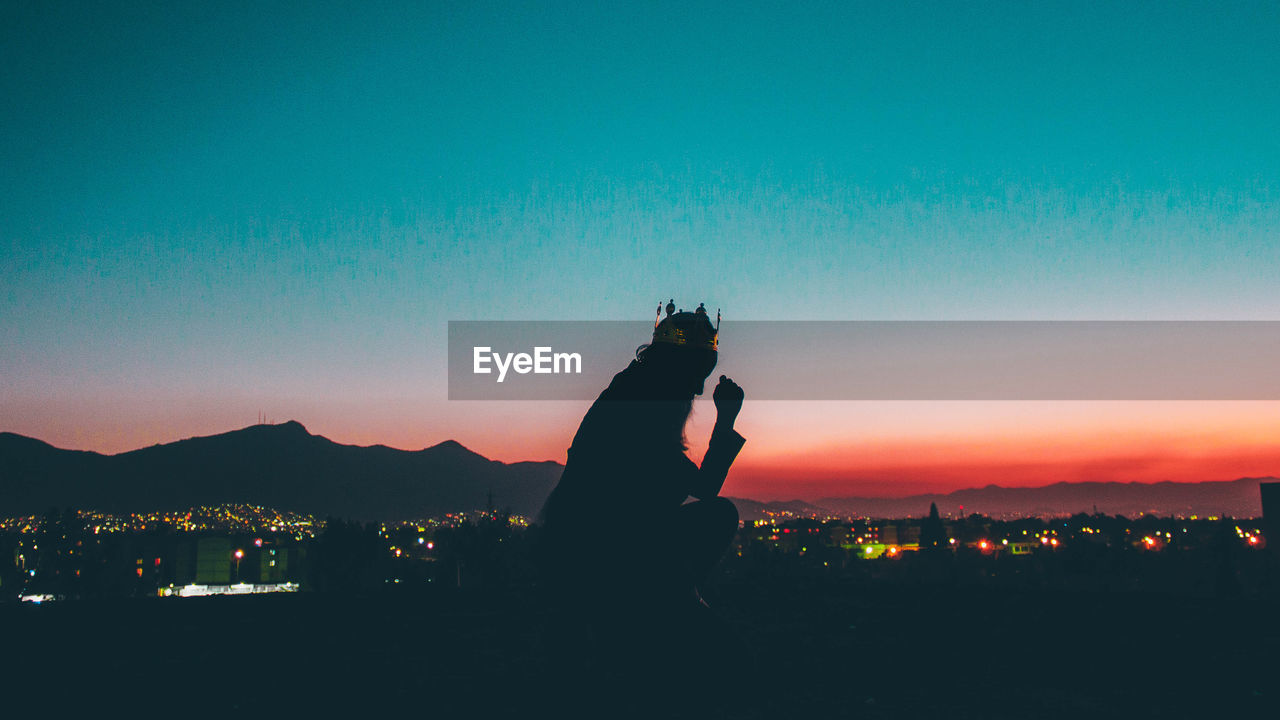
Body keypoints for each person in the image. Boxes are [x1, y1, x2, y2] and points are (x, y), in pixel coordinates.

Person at [538, 300, 746, 620]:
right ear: (675, 369)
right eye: (695, 376)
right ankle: (667, 606)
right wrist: (726, 420)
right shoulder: (642, 409)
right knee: (721, 516)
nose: (700, 388)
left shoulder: (629, 390)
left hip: (582, 545)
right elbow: (705, 487)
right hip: (603, 554)